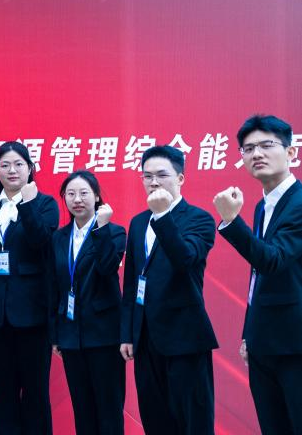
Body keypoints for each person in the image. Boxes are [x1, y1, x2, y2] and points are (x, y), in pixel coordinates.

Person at [120, 145, 218, 435]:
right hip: (146, 338)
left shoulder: (199, 218)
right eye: (147, 176)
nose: (154, 182)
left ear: (180, 178)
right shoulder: (139, 222)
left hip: (184, 336)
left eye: (162, 175)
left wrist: (163, 216)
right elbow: (131, 283)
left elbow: (184, 259)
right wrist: (127, 333)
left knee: (193, 420)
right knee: (155, 419)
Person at [214, 114, 302, 435]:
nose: (257, 154)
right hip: (264, 344)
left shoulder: (299, 203)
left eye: (266, 145)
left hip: (295, 344)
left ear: (291, 152)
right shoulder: (262, 206)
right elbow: (258, 278)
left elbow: (273, 261)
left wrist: (231, 222)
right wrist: (250, 332)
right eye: (248, 149)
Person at [0, 141, 58, 434]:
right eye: (5, 165)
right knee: (3, 393)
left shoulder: (45, 204)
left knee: (35, 392)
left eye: (19, 164)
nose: (12, 170)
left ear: (30, 168)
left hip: (32, 312)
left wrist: (28, 204)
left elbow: (42, 243)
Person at [49, 171, 126, 435]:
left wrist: (102, 228)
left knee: (109, 409)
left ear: (96, 197)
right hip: (71, 336)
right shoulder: (59, 238)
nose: (77, 200)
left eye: (84, 193)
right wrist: (55, 334)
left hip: (104, 335)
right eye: (70, 194)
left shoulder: (114, 232)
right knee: (83, 410)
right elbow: (54, 286)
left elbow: (106, 268)